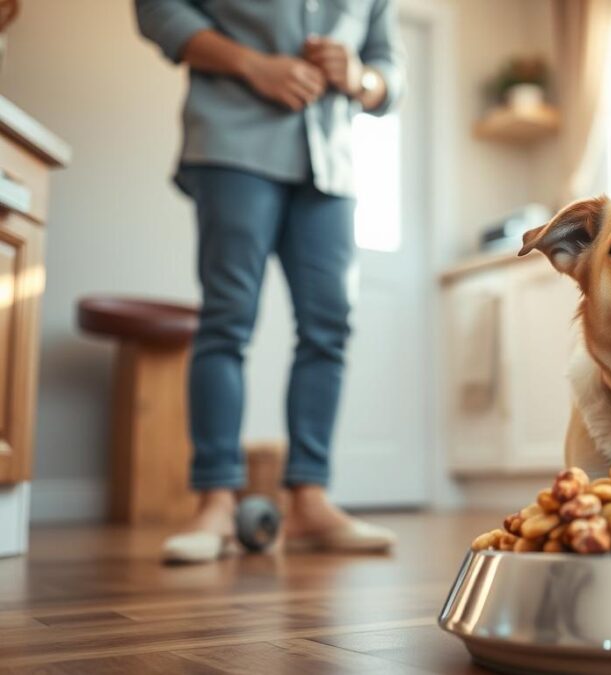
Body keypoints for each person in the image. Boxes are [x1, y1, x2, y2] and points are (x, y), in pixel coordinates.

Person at [135, 0, 405, 563]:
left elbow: (389, 72)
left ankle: (308, 500)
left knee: (329, 327)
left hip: (329, 165)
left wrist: (360, 77)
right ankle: (215, 502)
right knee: (227, 321)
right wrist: (253, 65)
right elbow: (158, 9)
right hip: (233, 146)